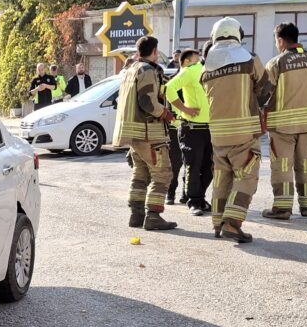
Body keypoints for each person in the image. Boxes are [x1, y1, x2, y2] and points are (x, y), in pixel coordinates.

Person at [200, 17, 272, 243]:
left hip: (218, 134)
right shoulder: (250, 60)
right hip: (244, 131)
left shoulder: (207, 68)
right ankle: (233, 222)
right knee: (246, 175)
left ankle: (218, 222)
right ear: (237, 34)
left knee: (222, 177)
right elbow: (266, 89)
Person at [262, 22, 307, 219]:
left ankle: (283, 208)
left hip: (282, 127)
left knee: (283, 165)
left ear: (280, 40)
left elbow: (263, 95)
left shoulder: (276, 64)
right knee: (306, 164)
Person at [113, 35, 177, 232]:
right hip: (150, 133)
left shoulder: (129, 70)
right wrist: (164, 113)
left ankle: (136, 215)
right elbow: (147, 102)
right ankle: (154, 216)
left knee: (140, 175)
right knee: (163, 174)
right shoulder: (147, 70)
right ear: (155, 51)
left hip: (134, 134)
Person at [163, 48, 213, 215]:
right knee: (194, 165)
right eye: (195, 58)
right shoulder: (190, 71)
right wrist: (185, 109)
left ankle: (199, 198)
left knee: (209, 167)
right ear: (186, 62)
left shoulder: (205, 70)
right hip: (192, 128)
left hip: (210, 128)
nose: (199, 61)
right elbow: (168, 89)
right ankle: (194, 202)